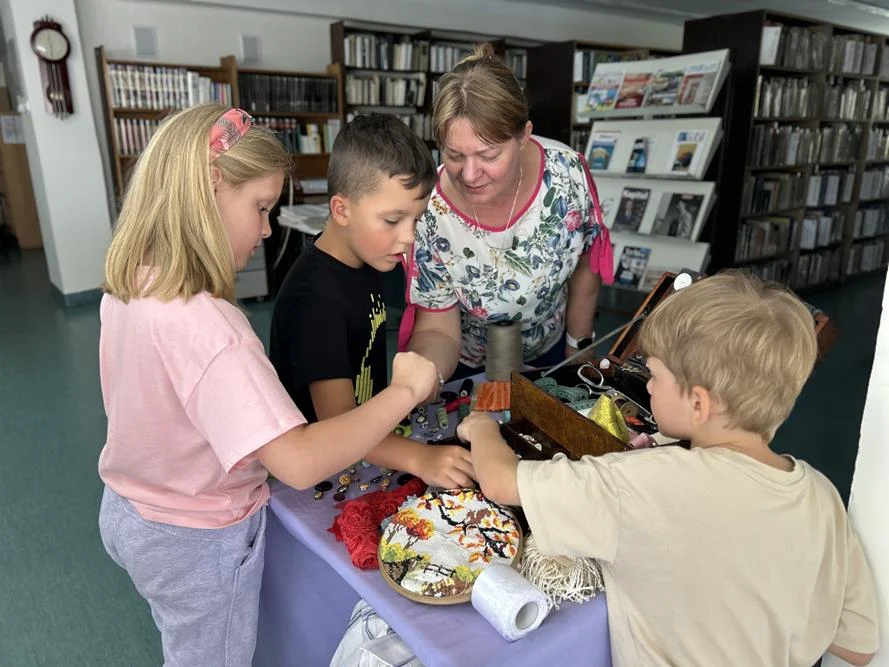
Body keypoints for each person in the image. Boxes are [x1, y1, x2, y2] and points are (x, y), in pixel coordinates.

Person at [96, 104, 437, 666]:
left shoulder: (135, 280)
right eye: (259, 207)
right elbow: (299, 464)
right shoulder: (208, 327)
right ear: (209, 187)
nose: (266, 229)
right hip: (195, 536)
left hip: (133, 510)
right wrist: (402, 392)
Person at [459, 270, 879, 667]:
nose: (647, 384)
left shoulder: (641, 484)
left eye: (654, 375)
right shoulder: (823, 497)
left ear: (699, 403)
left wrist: (481, 429)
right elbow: (858, 648)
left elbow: (501, 482)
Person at [270, 114, 475, 489]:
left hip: (369, 445)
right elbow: (339, 428)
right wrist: (420, 457)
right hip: (324, 470)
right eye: (393, 220)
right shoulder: (315, 301)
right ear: (341, 210)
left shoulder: (365, 256)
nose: (409, 237)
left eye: (416, 219)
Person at [402, 44, 613, 382]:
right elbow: (437, 327)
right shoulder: (430, 211)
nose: (469, 174)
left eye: (488, 155)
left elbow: (586, 264)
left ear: (523, 136)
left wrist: (579, 345)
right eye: (454, 155)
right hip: (466, 363)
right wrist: (424, 380)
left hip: (554, 350)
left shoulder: (567, 175)